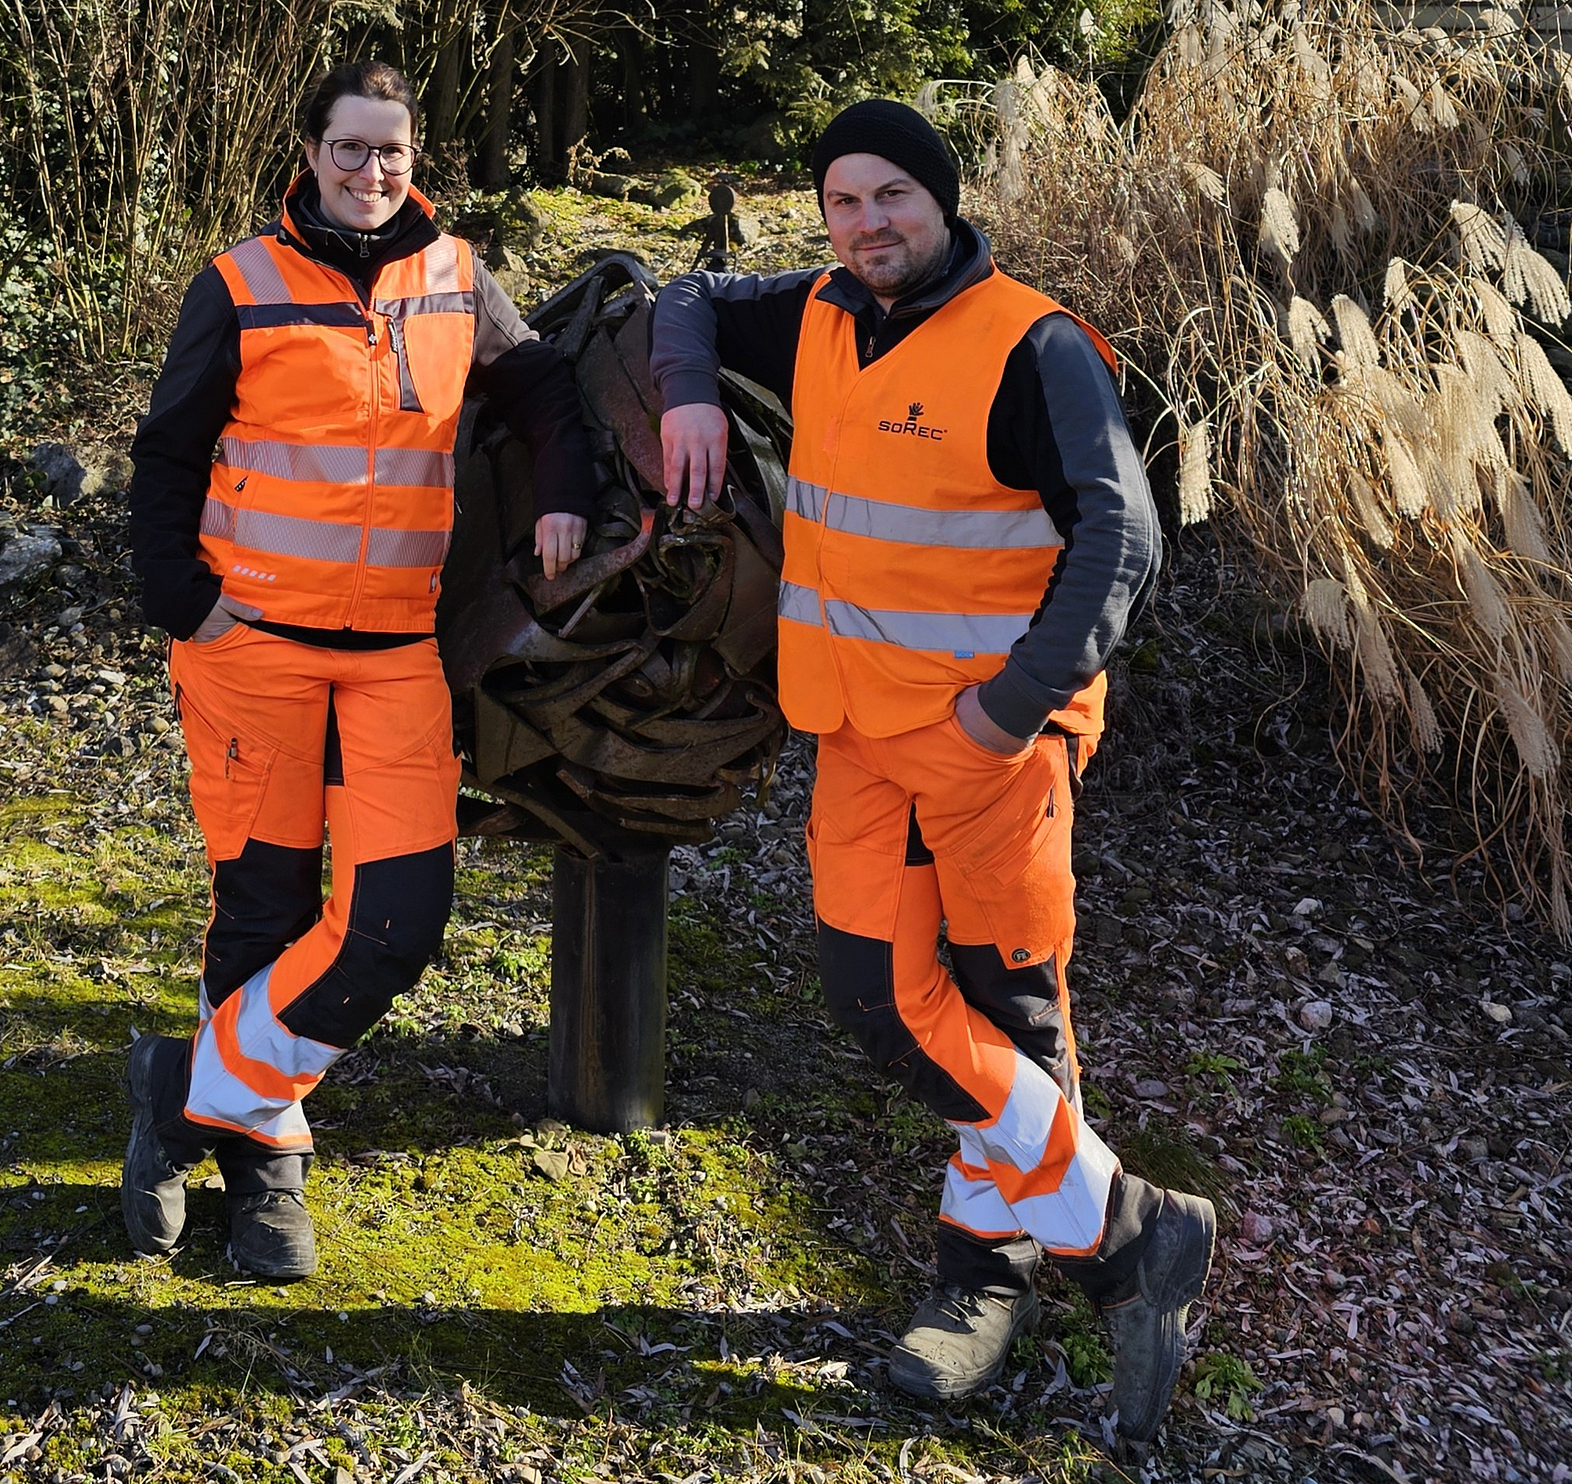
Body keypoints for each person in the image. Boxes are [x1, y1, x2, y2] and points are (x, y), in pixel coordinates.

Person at [649, 99, 1212, 1442]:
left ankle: (978, 1289)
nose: (867, 225)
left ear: (943, 201)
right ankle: (1131, 1230)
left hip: (987, 748)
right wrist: (688, 401)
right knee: (880, 1004)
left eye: (891, 196)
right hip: (855, 735)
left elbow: (1120, 544)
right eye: (842, 203)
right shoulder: (821, 310)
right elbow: (685, 296)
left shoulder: (1033, 344)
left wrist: (1012, 708)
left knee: (1005, 1012)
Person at [121, 60, 595, 1280]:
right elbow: (168, 451)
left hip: (393, 655)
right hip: (256, 652)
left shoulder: (457, 275)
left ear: (414, 154)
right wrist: (187, 603)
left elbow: (540, 385)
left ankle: (184, 1088)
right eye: (350, 148)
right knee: (266, 909)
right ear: (310, 150)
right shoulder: (240, 279)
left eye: (391, 150)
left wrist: (564, 494)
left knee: (396, 922)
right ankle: (265, 1168)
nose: (372, 171)